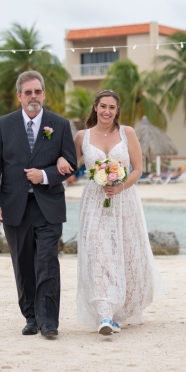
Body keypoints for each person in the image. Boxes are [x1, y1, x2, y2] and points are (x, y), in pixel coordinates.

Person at [58, 89, 163, 335]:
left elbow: (138, 169)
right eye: (103, 106)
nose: (107, 111)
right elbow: (69, 166)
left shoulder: (127, 133)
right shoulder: (82, 136)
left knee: (126, 253)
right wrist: (58, 163)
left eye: (112, 108)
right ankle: (105, 313)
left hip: (124, 201)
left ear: (117, 111)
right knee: (99, 254)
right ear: (95, 107)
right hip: (95, 201)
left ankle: (118, 312)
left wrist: (120, 186)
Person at [0, 71, 77, 339]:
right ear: (19, 96)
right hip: (14, 206)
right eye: (28, 92)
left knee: (47, 262)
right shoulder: (4, 124)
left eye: (37, 92)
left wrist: (46, 175)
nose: (33, 97)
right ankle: (31, 317)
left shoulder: (59, 124)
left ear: (44, 94)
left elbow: (71, 164)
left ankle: (49, 322)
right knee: (22, 264)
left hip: (49, 206)